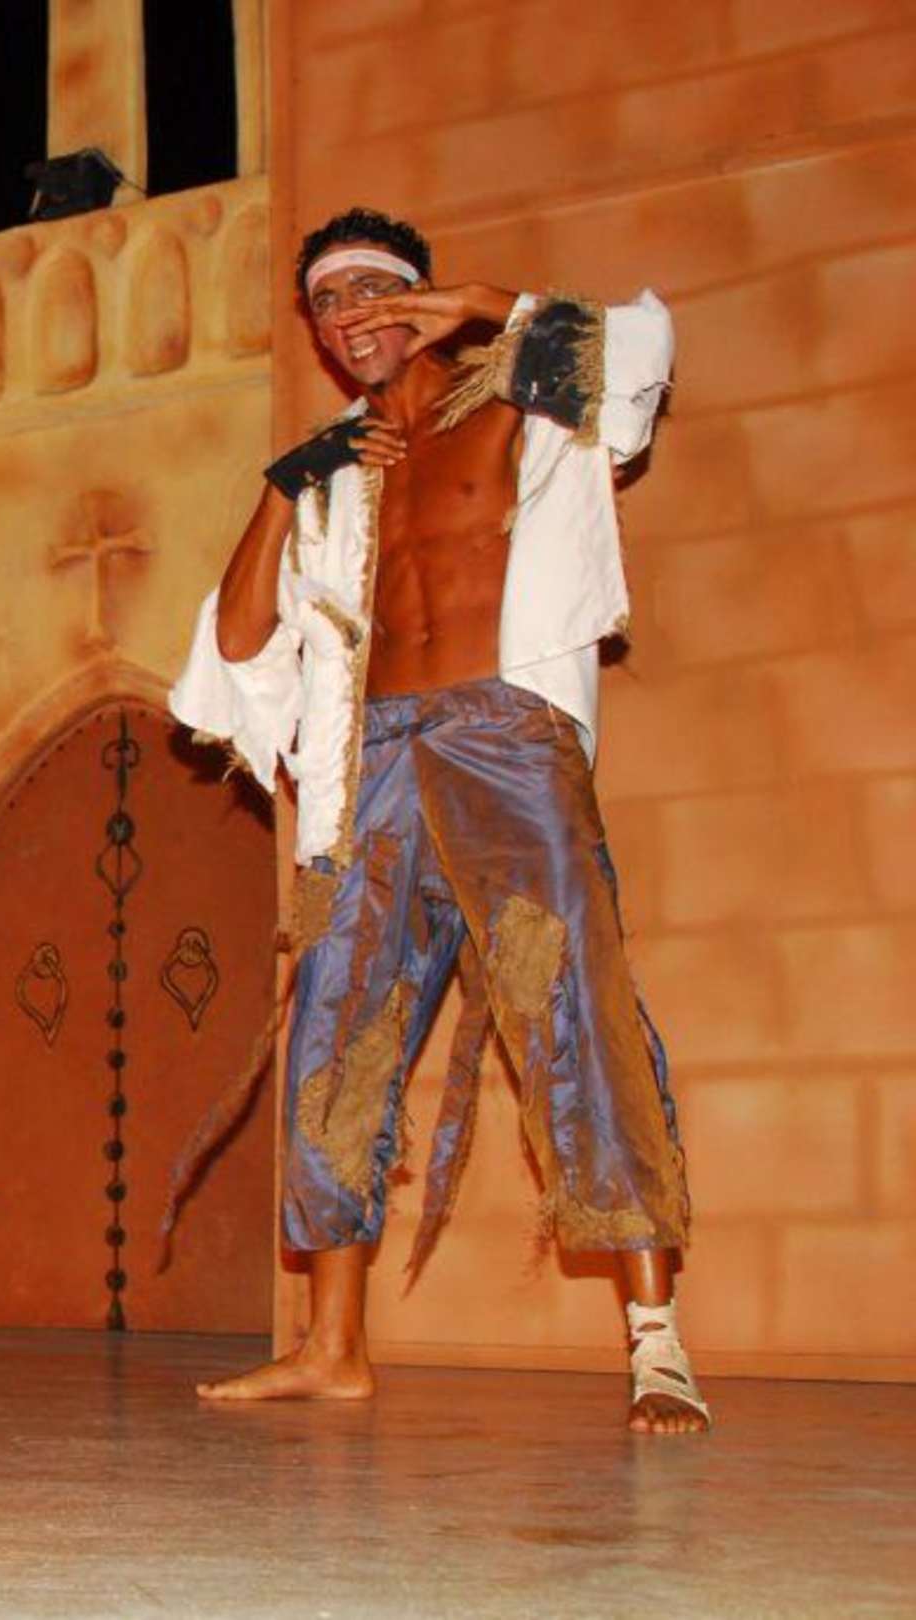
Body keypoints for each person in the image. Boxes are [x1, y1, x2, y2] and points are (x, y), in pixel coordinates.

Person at [165, 207, 707, 1434]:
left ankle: (656, 1341)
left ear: (416, 296)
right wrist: (281, 484)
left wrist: (488, 306)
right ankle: (333, 1347)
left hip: (503, 733)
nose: (348, 314)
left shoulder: (519, 400)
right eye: (326, 301)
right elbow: (238, 646)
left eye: (371, 288)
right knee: (337, 1028)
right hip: (370, 760)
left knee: (572, 1004)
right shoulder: (332, 473)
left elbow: (640, 356)